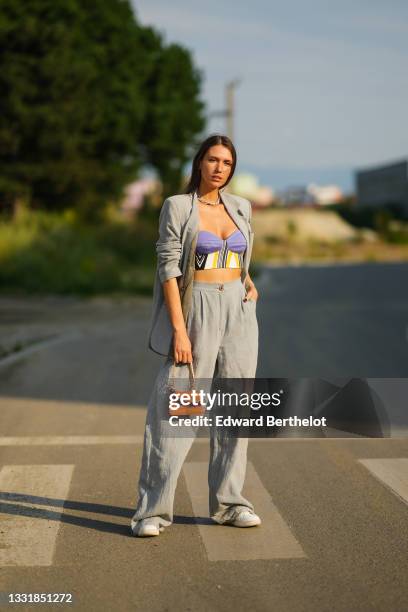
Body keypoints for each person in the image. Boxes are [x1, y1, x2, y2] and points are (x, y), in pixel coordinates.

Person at [131, 134, 260, 537]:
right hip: (196, 309)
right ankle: (152, 511)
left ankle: (230, 503)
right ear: (199, 163)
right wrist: (179, 330)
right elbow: (170, 268)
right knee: (178, 410)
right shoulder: (178, 206)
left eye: (227, 162)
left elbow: (238, 254)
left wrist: (248, 282)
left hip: (239, 312)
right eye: (212, 160)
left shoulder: (241, 206)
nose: (220, 168)